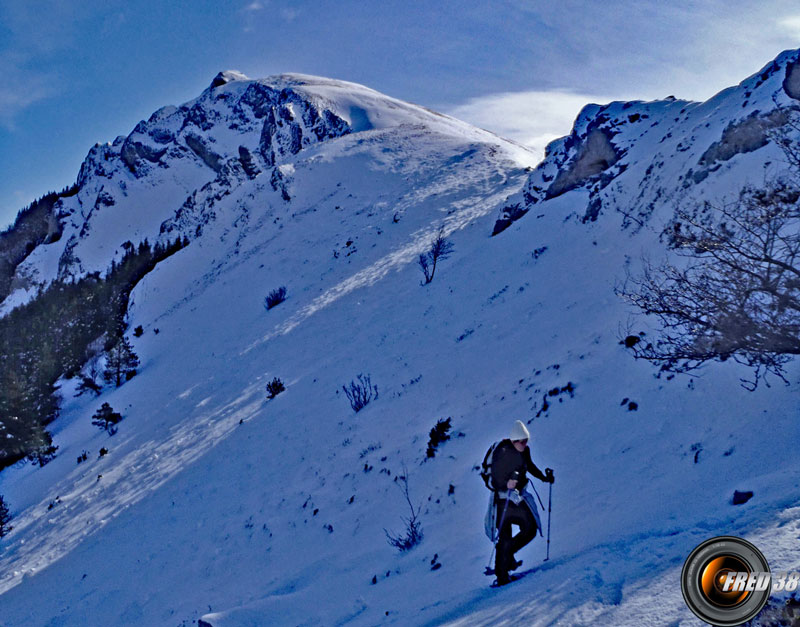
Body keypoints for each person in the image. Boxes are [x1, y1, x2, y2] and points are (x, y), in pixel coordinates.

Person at [490, 419, 554, 585]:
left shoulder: (525, 451)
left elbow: (530, 466)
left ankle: (507, 556)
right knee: (504, 537)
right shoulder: (502, 452)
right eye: (523, 442)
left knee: (530, 529)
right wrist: (506, 484)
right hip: (503, 500)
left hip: (517, 498)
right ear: (514, 441)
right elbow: (495, 478)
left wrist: (544, 478)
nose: (525, 445)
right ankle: (502, 576)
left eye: (527, 441)